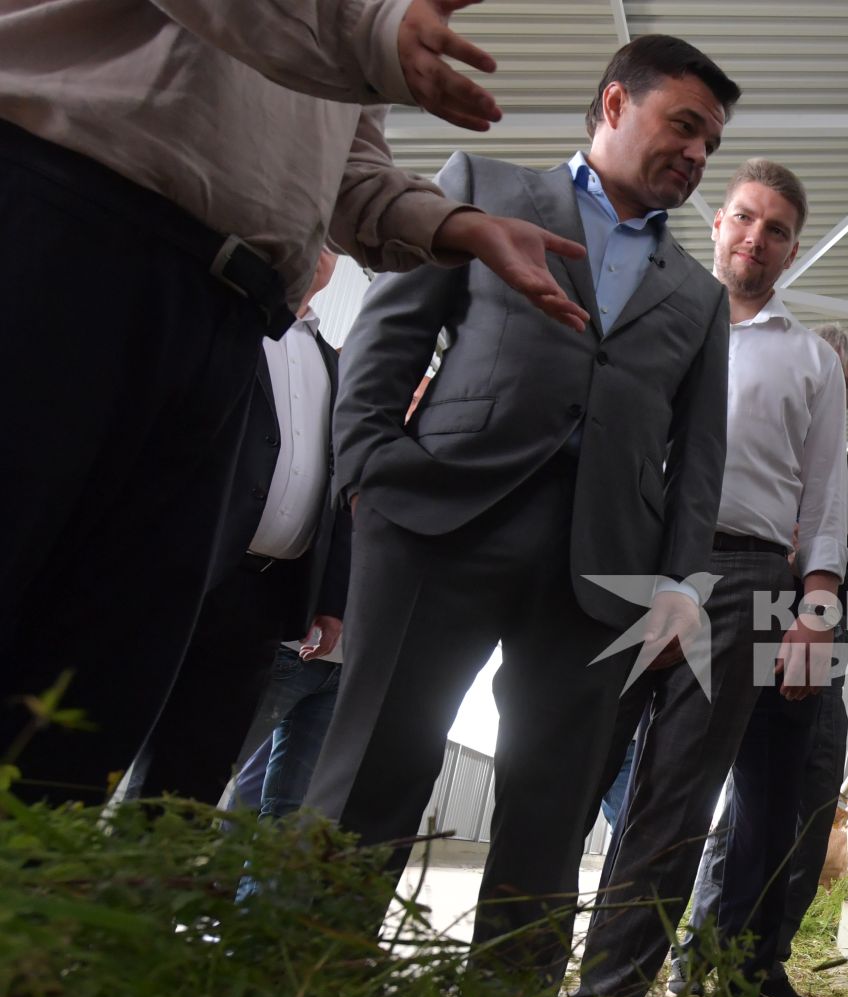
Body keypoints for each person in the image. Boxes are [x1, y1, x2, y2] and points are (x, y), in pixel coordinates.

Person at [0, 0, 594, 803]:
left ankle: (36, 914)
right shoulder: (351, 19)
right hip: (64, 222)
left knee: (92, 690)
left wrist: (457, 226)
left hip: (226, 317)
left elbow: (347, 173)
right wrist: (374, 35)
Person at [307, 35, 741, 986]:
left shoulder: (699, 298)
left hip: (601, 574)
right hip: (439, 525)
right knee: (374, 766)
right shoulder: (485, 190)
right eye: (685, 125)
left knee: (551, 814)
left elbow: (696, 455)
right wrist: (371, 471)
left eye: (711, 141)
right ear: (616, 105)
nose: (698, 154)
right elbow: (390, 332)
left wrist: (680, 587)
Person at [572, 159, 848, 997]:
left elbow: (826, 497)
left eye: (774, 228)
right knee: (571, 769)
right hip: (636, 559)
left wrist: (816, 608)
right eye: (742, 218)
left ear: (791, 249)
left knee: (680, 799)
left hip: (745, 578)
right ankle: (510, 976)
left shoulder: (810, 359)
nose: (754, 238)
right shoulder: (664, 316)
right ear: (717, 223)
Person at [666, 324, 848, 997]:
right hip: (737, 651)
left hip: (816, 675)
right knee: (730, 822)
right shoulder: (746, 474)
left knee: (806, 828)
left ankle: (767, 957)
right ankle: (698, 952)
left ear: (847, 399)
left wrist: (819, 571)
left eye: (834, 386)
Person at [130, 252, 351, 806]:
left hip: (265, 597)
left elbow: (339, 487)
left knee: (197, 775)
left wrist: (330, 596)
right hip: (181, 570)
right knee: (113, 744)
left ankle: (156, 889)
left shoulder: (333, 362)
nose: (322, 246)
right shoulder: (226, 318)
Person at [229, 371, 438, 820]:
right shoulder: (349, 447)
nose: (416, 403)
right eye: (411, 391)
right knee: (225, 777)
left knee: (290, 805)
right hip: (297, 644)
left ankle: (256, 891)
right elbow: (326, 528)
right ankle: (207, 881)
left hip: (351, 666)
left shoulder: (421, 472)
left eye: (424, 396)